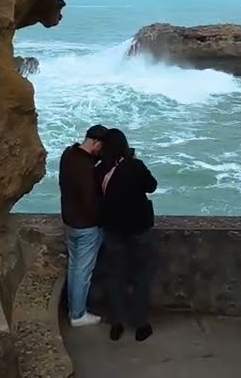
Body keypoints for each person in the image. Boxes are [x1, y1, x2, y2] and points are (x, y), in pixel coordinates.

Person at [98, 127, 159, 342]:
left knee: (115, 275)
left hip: (112, 229)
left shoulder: (101, 170)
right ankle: (141, 325)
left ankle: (117, 323)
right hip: (138, 229)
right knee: (140, 275)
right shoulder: (135, 166)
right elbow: (151, 186)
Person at [59, 124, 107, 327]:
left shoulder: (68, 155)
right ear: (96, 142)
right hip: (87, 225)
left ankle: (73, 309)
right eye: (102, 147)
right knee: (83, 272)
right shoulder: (86, 169)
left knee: (74, 267)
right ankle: (78, 314)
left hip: (70, 220)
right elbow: (90, 202)